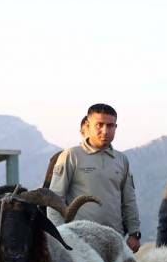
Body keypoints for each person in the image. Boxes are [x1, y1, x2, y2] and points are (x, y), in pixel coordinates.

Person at [48, 103, 141, 251]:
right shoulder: (71, 155)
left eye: (110, 126)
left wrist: (134, 233)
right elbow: (54, 199)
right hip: (79, 240)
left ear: (116, 128)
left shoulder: (121, 159)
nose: (105, 131)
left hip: (114, 239)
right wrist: (61, 235)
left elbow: (128, 199)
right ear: (88, 125)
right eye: (99, 125)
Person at [43, 116, 88, 186]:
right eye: (88, 129)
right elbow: (47, 189)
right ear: (82, 132)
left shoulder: (110, 158)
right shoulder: (63, 156)